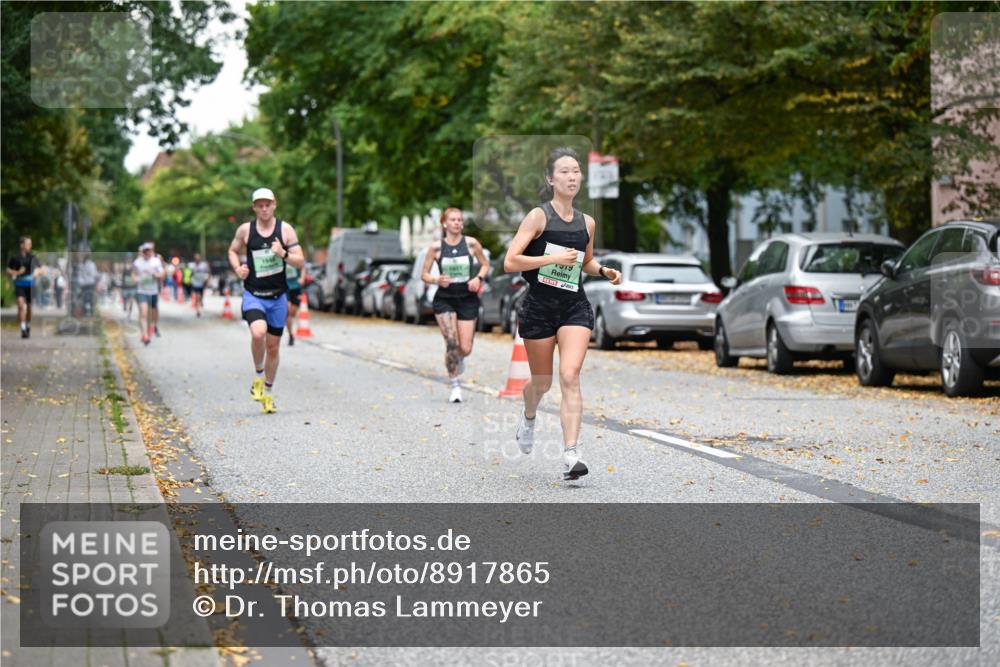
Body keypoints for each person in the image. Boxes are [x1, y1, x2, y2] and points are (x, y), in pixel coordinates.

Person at [503, 147, 622, 481]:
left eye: (576, 171)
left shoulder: (588, 222)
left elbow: (585, 262)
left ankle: (571, 455)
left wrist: (606, 271)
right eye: (565, 171)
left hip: (574, 306)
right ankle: (528, 416)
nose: (572, 176)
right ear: (550, 179)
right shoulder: (538, 217)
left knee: (571, 375)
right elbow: (510, 261)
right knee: (542, 382)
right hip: (539, 308)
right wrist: (550, 260)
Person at [228, 187, 305, 414]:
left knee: (273, 347)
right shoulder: (245, 230)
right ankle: (259, 375)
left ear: (274, 205)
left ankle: (268, 394)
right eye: (259, 205)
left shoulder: (285, 230)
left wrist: (283, 253)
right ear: (254, 207)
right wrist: (237, 268)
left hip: (278, 297)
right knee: (258, 333)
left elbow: (300, 262)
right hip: (254, 294)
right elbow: (232, 251)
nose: (264, 209)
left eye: (267, 204)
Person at [420, 208, 490, 403]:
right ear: (445, 224)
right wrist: (436, 279)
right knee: (451, 342)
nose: (457, 223)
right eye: (453, 220)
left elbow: (485, 264)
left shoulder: (471, 244)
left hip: (467, 297)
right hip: (445, 298)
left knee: (465, 348)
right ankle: (455, 387)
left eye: (460, 219)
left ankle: (460, 359)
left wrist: (478, 278)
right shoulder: (435, 248)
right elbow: (423, 274)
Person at [6, 236, 40, 338]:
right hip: (19, 284)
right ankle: (23, 328)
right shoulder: (15, 257)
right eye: (28, 243)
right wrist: (17, 272)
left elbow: (42, 268)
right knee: (21, 305)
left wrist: (37, 273)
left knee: (29, 307)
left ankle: (28, 324)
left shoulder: (33, 257)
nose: (30, 246)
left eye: (30, 244)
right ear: (22, 245)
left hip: (30, 285)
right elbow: (7, 270)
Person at [133, 243, 165, 345]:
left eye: (149, 251)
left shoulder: (156, 262)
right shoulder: (137, 262)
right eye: (145, 251)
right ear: (142, 252)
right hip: (141, 291)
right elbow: (133, 274)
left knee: (153, 312)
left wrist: (154, 273)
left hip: (153, 291)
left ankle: (153, 325)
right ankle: (145, 335)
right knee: (143, 313)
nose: (147, 253)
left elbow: (162, 275)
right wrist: (136, 279)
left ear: (151, 251)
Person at [284, 261, 303, 346]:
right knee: (288, 312)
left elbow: (303, 265)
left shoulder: (294, 251)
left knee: (293, 312)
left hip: (296, 287)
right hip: (285, 287)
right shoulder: (279, 253)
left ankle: (290, 330)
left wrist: (302, 278)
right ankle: (290, 334)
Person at [190, 253, 210, 317]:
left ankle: (200, 304)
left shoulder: (204, 265)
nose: (197, 259)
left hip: (202, 283)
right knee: (196, 296)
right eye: (196, 258)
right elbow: (190, 274)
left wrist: (207, 281)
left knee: (200, 297)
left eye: (198, 258)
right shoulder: (192, 265)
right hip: (195, 283)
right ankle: (198, 310)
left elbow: (208, 273)